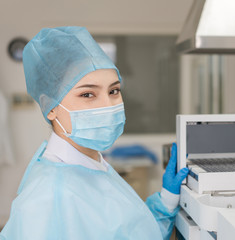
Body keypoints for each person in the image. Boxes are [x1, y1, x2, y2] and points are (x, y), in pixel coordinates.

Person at [0, 26, 189, 240]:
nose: (107, 105)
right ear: (50, 107)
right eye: (88, 94)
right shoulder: (46, 199)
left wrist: (167, 200)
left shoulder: (92, 166)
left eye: (113, 91)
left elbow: (133, 233)